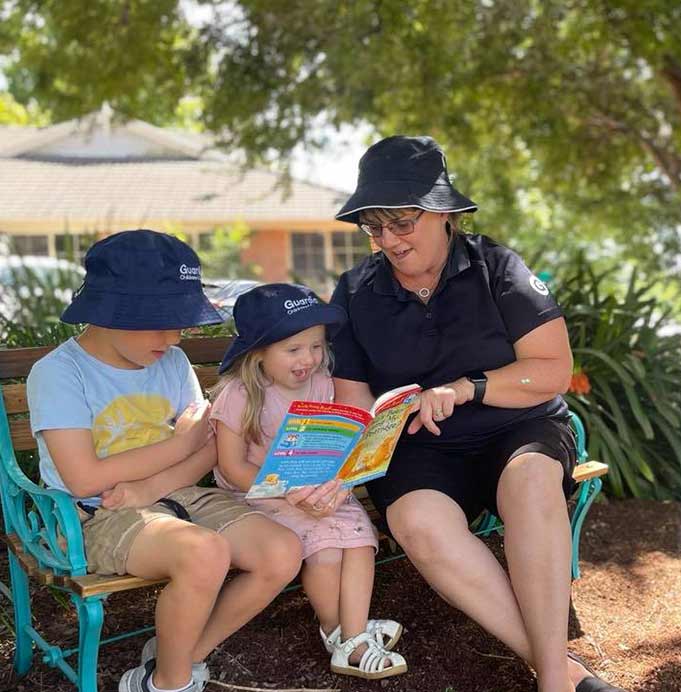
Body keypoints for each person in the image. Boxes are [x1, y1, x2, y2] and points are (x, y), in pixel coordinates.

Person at [329, 135, 626, 692]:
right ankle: (558, 672)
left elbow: (553, 370)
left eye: (401, 222)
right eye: (374, 227)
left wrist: (468, 387)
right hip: (418, 448)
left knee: (533, 479)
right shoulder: (353, 291)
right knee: (415, 521)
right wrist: (352, 444)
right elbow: (352, 401)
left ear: (442, 212)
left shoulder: (498, 267)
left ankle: (552, 681)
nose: (388, 240)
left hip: (517, 429)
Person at [26, 230, 303, 692]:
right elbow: (82, 477)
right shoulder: (58, 373)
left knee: (282, 552)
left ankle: (177, 656)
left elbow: (209, 446)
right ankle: (170, 683)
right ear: (110, 311)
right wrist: (178, 445)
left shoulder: (171, 362)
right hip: (93, 514)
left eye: (181, 322)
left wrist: (156, 484)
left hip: (176, 494)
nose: (174, 336)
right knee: (204, 553)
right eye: (161, 321)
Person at [208, 283, 407, 680]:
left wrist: (340, 479)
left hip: (315, 484)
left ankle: (347, 635)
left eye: (316, 346)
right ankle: (349, 639)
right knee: (327, 550)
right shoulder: (239, 394)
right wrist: (290, 490)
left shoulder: (322, 382)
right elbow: (231, 468)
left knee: (359, 540)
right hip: (261, 494)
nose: (309, 359)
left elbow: (331, 440)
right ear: (259, 351)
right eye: (294, 349)